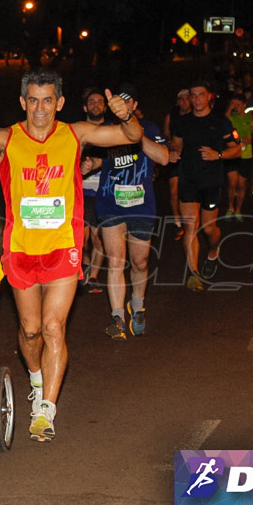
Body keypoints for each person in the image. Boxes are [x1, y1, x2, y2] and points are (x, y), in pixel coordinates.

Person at [0, 68, 142, 441]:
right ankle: (36, 381)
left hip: (63, 249)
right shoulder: (7, 138)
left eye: (48, 100)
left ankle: (45, 410)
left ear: (60, 103)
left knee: (54, 327)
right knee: (31, 329)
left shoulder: (75, 134)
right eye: (33, 101)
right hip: (21, 251)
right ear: (23, 102)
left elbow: (130, 137)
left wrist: (126, 115)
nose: (41, 109)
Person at [94, 83, 168, 339]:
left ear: (135, 106)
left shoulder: (150, 128)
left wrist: (136, 134)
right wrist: (87, 163)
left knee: (139, 262)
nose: (122, 105)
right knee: (115, 260)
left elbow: (164, 158)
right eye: (118, 101)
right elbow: (95, 158)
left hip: (141, 205)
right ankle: (117, 318)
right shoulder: (104, 130)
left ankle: (137, 307)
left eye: (127, 101)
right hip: (109, 202)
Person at [168, 81, 241, 291]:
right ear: (190, 98)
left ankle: (213, 251)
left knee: (209, 229)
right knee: (191, 226)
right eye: (193, 95)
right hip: (188, 180)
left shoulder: (220, 122)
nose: (197, 99)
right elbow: (176, 144)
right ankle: (194, 273)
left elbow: (237, 149)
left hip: (211, 181)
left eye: (201, 95)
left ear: (208, 97)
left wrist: (217, 155)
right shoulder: (183, 123)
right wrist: (173, 152)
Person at [79, 88, 108, 293]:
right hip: (82, 190)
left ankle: (95, 276)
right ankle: (86, 263)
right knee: (82, 239)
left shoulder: (112, 131)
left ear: (105, 107)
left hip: (105, 191)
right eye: (92, 101)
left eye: (100, 101)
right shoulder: (78, 133)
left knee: (98, 236)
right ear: (85, 107)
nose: (96, 105)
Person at [162, 89, 192, 241]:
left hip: (192, 160)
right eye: (182, 99)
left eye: (188, 98)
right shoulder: (171, 117)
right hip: (175, 158)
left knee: (191, 192)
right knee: (174, 190)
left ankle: (191, 223)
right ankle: (177, 222)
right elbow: (165, 135)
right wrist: (170, 144)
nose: (185, 101)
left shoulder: (196, 117)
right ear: (178, 101)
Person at [224, 93, 253, 221]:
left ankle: (238, 209)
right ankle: (230, 207)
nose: (236, 107)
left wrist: (251, 139)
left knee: (241, 184)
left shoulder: (250, 118)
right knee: (232, 183)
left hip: (245, 155)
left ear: (244, 105)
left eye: (238, 105)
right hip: (232, 154)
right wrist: (229, 108)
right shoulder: (230, 117)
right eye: (234, 105)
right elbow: (224, 122)